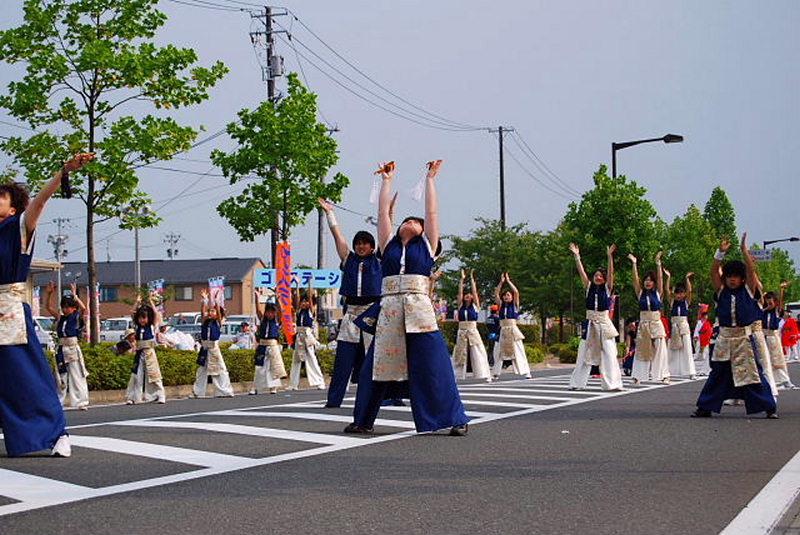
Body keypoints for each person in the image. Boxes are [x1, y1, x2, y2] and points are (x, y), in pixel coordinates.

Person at [346, 160, 469, 436]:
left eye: (417, 222)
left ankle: (454, 417)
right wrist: (387, 181)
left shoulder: (428, 246)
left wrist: (430, 179)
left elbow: (432, 211)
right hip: (389, 309)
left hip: (419, 310)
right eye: (407, 220)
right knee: (375, 365)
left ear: (424, 231)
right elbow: (383, 213)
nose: (411, 222)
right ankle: (363, 420)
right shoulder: (387, 244)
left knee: (434, 363)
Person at [0, 154, 94, 458]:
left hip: (9, 310)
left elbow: (39, 203)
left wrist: (63, 171)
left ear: (13, 208)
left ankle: (56, 432)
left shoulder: (19, 227)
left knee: (26, 374)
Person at [693, 235, 777, 418]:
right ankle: (705, 407)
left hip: (744, 339)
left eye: (736, 277)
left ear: (741, 279)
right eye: (729, 276)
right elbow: (714, 272)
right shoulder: (721, 291)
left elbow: (752, 271)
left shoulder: (748, 290)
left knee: (753, 373)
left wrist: (744, 251)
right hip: (724, 339)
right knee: (718, 374)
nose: (732, 280)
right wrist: (720, 253)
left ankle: (769, 407)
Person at [319, 199, 383, 408]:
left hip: (373, 313)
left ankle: (387, 396)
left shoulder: (379, 262)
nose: (361, 246)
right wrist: (330, 214)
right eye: (358, 243)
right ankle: (334, 399)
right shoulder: (349, 260)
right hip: (352, 313)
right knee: (343, 359)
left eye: (365, 243)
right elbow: (338, 236)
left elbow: (386, 234)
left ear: (372, 246)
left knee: (377, 357)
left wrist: (388, 211)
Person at [568, 243, 623, 391]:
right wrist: (577, 256)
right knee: (583, 353)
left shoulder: (607, 288)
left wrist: (610, 257)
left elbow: (611, 274)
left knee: (610, 353)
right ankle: (577, 383)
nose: (598, 277)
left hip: (604, 323)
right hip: (590, 323)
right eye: (596, 275)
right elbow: (581, 272)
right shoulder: (588, 287)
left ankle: (613, 383)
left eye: (601, 276)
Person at [45, 281, 89, 410]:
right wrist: (48, 294)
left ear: (73, 308)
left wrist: (75, 295)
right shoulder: (61, 318)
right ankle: (60, 401)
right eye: (63, 306)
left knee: (77, 375)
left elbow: (84, 309)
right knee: (61, 376)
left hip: (72, 348)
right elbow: (47, 307)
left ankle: (81, 401)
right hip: (61, 348)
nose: (65, 309)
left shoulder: (76, 317)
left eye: (68, 307)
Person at [628, 252, 670, 385]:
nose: (648, 282)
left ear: (653, 282)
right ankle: (637, 376)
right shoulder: (640, 293)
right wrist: (634, 264)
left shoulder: (658, 293)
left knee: (660, 349)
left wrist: (658, 263)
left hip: (656, 323)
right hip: (644, 324)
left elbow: (660, 278)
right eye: (646, 280)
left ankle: (663, 375)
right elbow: (635, 280)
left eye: (650, 280)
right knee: (642, 350)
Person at [191, 290, 234, 398]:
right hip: (205, 348)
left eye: (213, 311)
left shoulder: (218, 322)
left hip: (214, 348)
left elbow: (219, 314)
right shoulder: (205, 322)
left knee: (220, 369)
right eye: (209, 311)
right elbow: (202, 312)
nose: (210, 313)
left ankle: (225, 391)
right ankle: (198, 392)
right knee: (201, 371)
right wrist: (204, 300)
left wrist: (217, 301)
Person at [125, 292, 166, 404]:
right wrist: (137, 302)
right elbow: (132, 313)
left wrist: (151, 302)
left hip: (149, 352)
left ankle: (160, 395)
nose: (142, 320)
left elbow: (156, 314)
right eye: (140, 318)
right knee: (136, 375)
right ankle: (134, 397)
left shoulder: (152, 326)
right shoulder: (137, 327)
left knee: (154, 375)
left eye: (144, 318)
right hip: (139, 353)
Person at [452, 269, 492, 382]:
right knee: (459, 352)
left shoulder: (475, 306)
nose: (467, 296)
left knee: (478, 351)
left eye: (469, 295)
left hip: (473, 330)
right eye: (466, 295)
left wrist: (472, 279)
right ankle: (457, 375)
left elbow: (475, 293)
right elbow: (459, 293)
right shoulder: (460, 306)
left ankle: (485, 374)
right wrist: (462, 279)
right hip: (462, 331)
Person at [491, 272, 532, 380]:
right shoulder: (500, 305)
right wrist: (501, 282)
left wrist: (508, 281)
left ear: (511, 297)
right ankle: (495, 372)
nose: (506, 297)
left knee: (519, 350)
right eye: (504, 295)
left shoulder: (514, 305)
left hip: (513, 330)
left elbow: (516, 292)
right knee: (498, 351)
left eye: (508, 295)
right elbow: (496, 294)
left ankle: (526, 371)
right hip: (503, 330)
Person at [288, 280, 326, 391]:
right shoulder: (299, 311)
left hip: (308, 336)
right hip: (299, 335)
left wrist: (309, 284)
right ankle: (293, 384)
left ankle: (320, 382)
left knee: (312, 359)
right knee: (296, 360)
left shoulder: (310, 311)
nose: (304, 303)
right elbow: (297, 299)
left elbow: (310, 297)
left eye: (306, 302)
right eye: (302, 302)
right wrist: (297, 285)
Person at [250, 293, 286, 395]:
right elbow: (258, 311)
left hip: (273, 345)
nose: (270, 314)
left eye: (272, 312)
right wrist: (257, 298)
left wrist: (278, 300)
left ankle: (273, 387)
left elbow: (281, 312)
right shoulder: (262, 319)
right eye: (268, 312)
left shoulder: (277, 320)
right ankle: (255, 387)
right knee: (259, 367)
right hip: (262, 345)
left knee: (273, 367)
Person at [664, 270, 697, 379]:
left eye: (681, 293)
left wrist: (687, 279)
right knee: (672, 348)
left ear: (684, 294)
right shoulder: (672, 302)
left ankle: (690, 371)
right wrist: (668, 277)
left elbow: (690, 291)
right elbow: (666, 291)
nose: (679, 295)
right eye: (677, 293)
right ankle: (671, 370)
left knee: (687, 348)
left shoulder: (686, 302)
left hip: (683, 325)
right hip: (674, 326)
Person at [764, 282, 795, 389]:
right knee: (765, 360)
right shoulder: (763, 312)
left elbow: (780, 302)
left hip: (773, 337)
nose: (769, 304)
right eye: (767, 302)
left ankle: (784, 380)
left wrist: (781, 290)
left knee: (777, 359)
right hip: (764, 337)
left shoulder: (776, 312)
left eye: (771, 302)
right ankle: (770, 380)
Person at [693, 304, 713, 377]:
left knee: (705, 353)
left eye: (706, 315)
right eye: (704, 315)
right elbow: (697, 331)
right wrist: (696, 337)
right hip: (700, 338)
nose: (705, 316)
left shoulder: (707, 323)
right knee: (699, 350)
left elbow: (709, 331)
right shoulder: (699, 322)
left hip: (706, 338)